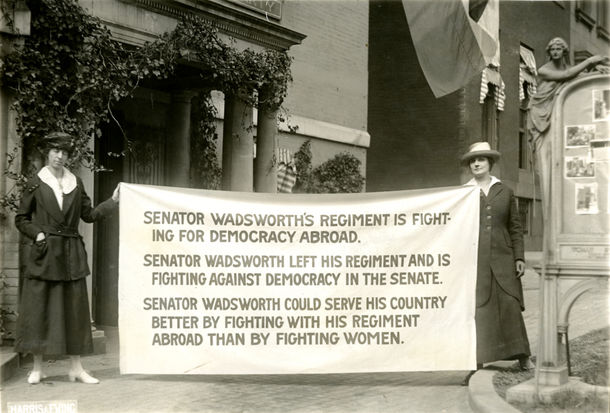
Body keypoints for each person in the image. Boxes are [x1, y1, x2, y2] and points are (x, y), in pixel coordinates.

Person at [14, 131, 120, 385]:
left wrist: (113, 202)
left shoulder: (76, 183)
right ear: (47, 153)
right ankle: (37, 368)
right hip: (44, 254)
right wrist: (38, 234)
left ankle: (76, 367)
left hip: (71, 254)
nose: (59, 156)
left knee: (75, 311)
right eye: (55, 151)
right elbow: (21, 218)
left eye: (64, 152)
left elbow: (89, 215)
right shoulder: (36, 182)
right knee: (39, 309)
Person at [461, 142, 533, 385]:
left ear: (490, 163)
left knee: (510, 304)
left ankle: (523, 358)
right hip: (476, 262)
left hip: (503, 259)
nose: (476, 164)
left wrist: (519, 257)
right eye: (472, 161)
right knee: (479, 310)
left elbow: (515, 227)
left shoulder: (504, 191)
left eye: (481, 159)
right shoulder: (464, 193)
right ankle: (476, 364)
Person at [527, 38, 608, 220]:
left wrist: (597, 71)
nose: (555, 52)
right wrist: (589, 62)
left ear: (564, 51)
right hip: (541, 117)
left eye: (559, 49)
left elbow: (574, 77)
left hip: (558, 116)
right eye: (552, 49)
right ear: (549, 52)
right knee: (547, 163)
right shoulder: (544, 70)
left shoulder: (567, 69)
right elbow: (567, 76)